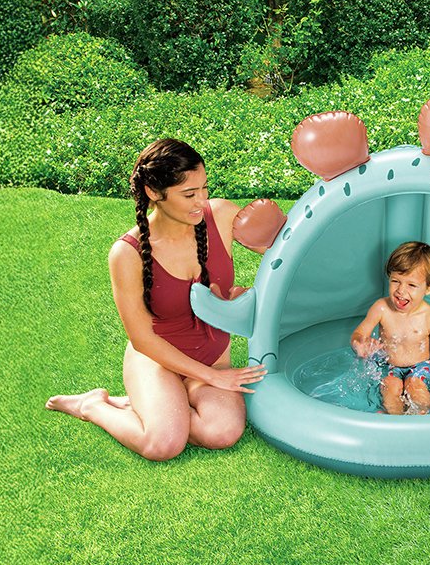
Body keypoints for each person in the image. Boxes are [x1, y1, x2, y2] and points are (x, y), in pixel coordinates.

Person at [46, 138, 268, 460]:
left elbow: (282, 255)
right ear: (153, 192)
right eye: (189, 194)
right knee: (163, 444)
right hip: (157, 361)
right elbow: (141, 339)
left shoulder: (220, 215)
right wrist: (213, 377)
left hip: (212, 356)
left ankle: (154, 404)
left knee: (223, 432)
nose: (201, 201)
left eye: (204, 188)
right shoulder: (127, 253)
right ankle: (92, 405)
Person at [350, 242, 430, 415]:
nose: (400, 291)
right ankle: (394, 421)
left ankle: (417, 420)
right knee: (391, 386)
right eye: (395, 281)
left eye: (411, 285)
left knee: (415, 385)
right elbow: (359, 333)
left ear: (429, 288)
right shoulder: (381, 308)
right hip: (392, 367)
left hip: (422, 367)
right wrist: (359, 344)